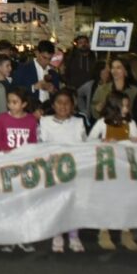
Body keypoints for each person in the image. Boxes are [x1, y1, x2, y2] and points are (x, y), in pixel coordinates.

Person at [87, 91, 137, 252]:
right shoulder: (103, 123)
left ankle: (126, 232)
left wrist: (134, 141)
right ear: (114, 106)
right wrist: (103, 141)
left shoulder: (131, 124)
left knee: (125, 200)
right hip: (107, 167)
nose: (125, 108)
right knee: (106, 200)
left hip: (124, 169)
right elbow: (89, 141)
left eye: (127, 105)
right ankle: (104, 231)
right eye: (122, 105)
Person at [39, 89, 87, 253]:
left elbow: (84, 145)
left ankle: (74, 236)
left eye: (67, 103)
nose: (63, 106)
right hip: (53, 169)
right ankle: (57, 234)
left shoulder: (78, 122)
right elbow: (41, 144)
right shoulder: (45, 121)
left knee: (73, 203)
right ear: (53, 105)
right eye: (59, 102)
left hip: (74, 169)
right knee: (56, 203)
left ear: (73, 105)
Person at [14, 40, 59, 108]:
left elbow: (58, 94)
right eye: (44, 57)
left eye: (49, 59)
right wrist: (34, 87)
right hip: (29, 110)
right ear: (37, 53)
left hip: (48, 110)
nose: (47, 61)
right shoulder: (24, 69)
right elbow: (15, 89)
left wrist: (53, 90)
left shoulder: (53, 73)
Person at [0, 87, 39, 152]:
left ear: (24, 104)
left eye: (14, 102)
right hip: (6, 155)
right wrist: (5, 149)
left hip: (24, 156)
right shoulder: (2, 118)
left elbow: (33, 140)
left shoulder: (31, 119)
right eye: (9, 102)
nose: (11, 105)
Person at [77, 60, 109, 126]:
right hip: (92, 120)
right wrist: (84, 110)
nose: (108, 71)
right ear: (99, 71)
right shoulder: (90, 85)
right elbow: (78, 94)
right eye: (105, 69)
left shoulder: (111, 85)